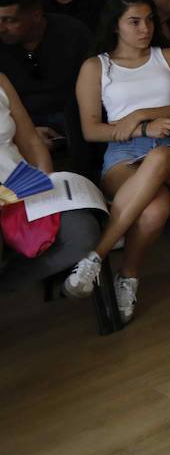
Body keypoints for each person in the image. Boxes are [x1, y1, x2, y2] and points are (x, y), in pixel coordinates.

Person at [66, 0, 170, 323]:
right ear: (115, 25)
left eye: (149, 20)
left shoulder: (168, 56)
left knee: (157, 160)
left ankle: (96, 256)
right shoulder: (95, 66)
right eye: (134, 21)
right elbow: (91, 130)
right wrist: (142, 130)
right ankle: (128, 277)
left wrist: (141, 113)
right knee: (156, 207)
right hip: (123, 152)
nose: (145, 28)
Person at [0, 72, 101, 294]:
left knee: (83, 232)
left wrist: (47, 186)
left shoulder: (1, 80)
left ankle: (6, 284)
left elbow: (31, 141)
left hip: (21, 188)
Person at [0, 0, 91, 150]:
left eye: (9, 20)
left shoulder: (73, 34)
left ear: (36, 15)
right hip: (15, 123)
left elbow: (94, 90)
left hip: (75, 119)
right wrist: (26, 132)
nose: (1, 28)